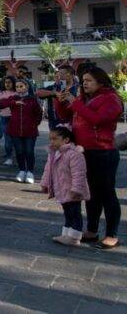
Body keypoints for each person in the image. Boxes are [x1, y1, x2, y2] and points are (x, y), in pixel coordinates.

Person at [56, 67, 122, 250]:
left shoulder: (111, 99)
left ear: (101, 82)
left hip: (103, 152)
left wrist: (75, 104)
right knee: (90, 194)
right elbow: (65, 115)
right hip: (84, 152)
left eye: (89, 80)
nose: (84, 83)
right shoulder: (84, 99)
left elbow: (97, 119)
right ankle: (92, 230)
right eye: (83, 80)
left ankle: (112, 234)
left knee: (107, 194)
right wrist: (61, 102)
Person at [40, 125, 90, 246]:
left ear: (66, 140)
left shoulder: (74, 154)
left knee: (75, 212)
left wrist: (76, 189)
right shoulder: (53, 153)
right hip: (62, 189)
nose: (52, 141)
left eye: (55, 139)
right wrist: (45, 183)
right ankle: (67, 234)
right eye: (50, 139)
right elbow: (48, 170)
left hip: (72, 190)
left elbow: (79, 174)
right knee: (67, 212)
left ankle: (74, 236)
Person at [0, 79, 43, 184]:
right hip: (15, 130)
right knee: (19, 151)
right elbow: (0, 104)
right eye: (17, 86)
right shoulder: (13, 98)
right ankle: (22, 170)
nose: (19, 88)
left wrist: (34, 124)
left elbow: (39, 113)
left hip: (30, 131)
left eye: (21, 86)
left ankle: (30, 172)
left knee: (29, 151)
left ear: (27, 87)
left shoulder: (32, 99)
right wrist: (14, 102)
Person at [37, 65, 78, 129]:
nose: (59, 75)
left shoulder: (79, 88)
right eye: (59, 73)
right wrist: (53, 93)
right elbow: (38, 92)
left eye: (61, 73)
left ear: (69, 75)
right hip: (55, 124)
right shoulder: (55, 87)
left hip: (74, 124)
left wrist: (72, 99)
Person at [0, 76, 18, 166]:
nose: (7, 84)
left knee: (16, 139)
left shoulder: (17, 93)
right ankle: (9, 157)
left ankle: (17, 156)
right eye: (6, 82)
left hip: (15, 118)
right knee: (8, 139)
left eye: (9, 82)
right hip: (4, 118)